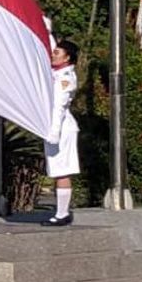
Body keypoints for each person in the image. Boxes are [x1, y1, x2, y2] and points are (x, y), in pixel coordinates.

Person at [42, 39, 80, 227]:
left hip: (62, 128)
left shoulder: (65, 78)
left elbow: (59, 105)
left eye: (57, 53)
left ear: (67, 58)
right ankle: (61, 212)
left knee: (62, 170)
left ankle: (62, 213)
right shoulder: (56, 73)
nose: (53, 54)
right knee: (57, 170)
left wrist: (54, 131)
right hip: (53, 126)